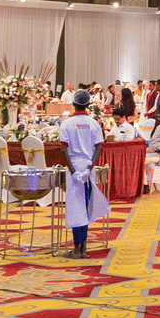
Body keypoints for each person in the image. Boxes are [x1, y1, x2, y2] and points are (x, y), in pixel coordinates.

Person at [60, 89, 107, 258]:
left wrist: (73, 172)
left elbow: (63, 149)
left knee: (75, 208)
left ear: (73, 104)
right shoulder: (93, 123)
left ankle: (77, 248)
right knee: (85, 205)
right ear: (88, 104)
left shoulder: (67, 123)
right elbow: (99, 147)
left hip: (73, 165)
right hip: (88, 166)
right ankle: (84, 249)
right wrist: (89, 168)